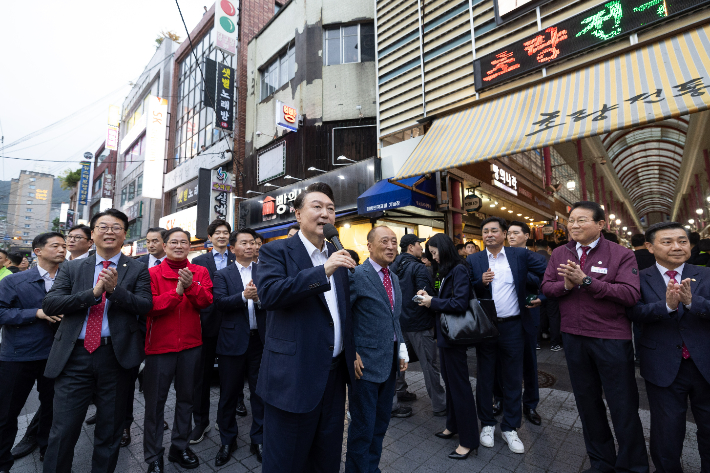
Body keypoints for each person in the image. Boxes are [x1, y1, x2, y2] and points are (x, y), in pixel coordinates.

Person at [254, 182, 357, 473]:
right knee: (285, 462)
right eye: (317, 207)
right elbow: (271, 295)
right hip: (293, 378)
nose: (325, 213)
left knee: (326, 460)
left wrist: (352, 351)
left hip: (334, 378)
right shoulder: (276, 252)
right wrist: (322, 270)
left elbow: (343, 312)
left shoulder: (338, 253)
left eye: (331, 209)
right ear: (298, 214)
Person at [41, 209, 153, 473]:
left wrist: (115, 292)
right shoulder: (71, 267)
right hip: (73, 357)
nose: (109, 231)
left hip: (115, 357)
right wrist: (92, 293)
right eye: (103, 227)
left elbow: (145, 305)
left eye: (116, 227)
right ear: (92, 234)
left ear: (125, 235)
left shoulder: (137, 269)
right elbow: (51, 303)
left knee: (110, 430)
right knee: (63, 430)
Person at [541, 201, 648, 473]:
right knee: (587, 405)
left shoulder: (621, 253)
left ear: (601, 224)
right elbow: (547, 287)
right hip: (574, 337)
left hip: (610, 338)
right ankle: (601, 463)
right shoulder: (560, 253)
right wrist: (566, 285)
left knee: (622, 406)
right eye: (571, 220)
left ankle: (633, 466)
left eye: (581, 220)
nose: (574, 225)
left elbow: (629, 294)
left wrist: (586, 281)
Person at [628, 222, 710, 473]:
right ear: (650, 247)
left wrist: (692, 301)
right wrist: (665, 307)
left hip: (705, 363)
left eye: (682, 241)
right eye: (667, 242)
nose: (677, 247)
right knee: (666, 431)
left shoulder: (706, 273)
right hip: (662, 365)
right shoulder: (639, 278)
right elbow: (633, 312)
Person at [469, 217, 547, 454]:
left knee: (513, 377)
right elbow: (464, 289)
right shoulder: (474, 259)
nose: (489, 234)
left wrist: (541, 298)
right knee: (485, 377)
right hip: (486, 327)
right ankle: (487, 424)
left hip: (514, 327)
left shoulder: (519, 256)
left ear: (504, 234)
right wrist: (479, 282)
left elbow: (549, 274)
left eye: (494, 230)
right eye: (485, 231)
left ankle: (511, 427)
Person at [143, 227, 213, 472]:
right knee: (154, 404)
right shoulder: (151, 273)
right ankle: (153, 456)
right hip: (160, 348)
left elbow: (206, 302)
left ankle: (179, 447)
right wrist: (177, 292)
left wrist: (191, 287)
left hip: (191, 346)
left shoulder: (199, 271)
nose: (179, 246)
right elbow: (149, 306)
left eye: (184, 242)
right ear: (164, 244)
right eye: (174, 242)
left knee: (186, 399)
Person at [0, 232, 66, 471]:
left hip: (56, 355)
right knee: (7, 413)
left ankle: (47, 451)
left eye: (64, 246)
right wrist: (36, 313)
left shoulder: (68, 279)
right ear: (37, 251)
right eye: (55, 245)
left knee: (52, 409)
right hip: (18, 356)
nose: (62, 249)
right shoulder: (13, 281)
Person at [346, 226, 409, 471]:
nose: (391, 246)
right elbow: (344, 317)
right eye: (385, 241)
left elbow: (395, 318)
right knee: (363, 426)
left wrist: (401, 349)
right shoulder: (356, 274)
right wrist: (350, 351)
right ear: (369, 246)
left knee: (380, 424)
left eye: (394, 241)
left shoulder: (393, 277)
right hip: (365, 365)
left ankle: (371, 467)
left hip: (389, 361)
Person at [416, 233, 479, 460]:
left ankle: (469, 440)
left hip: (455, 338)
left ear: (444, 249)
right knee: (451, 385)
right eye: (430, 254)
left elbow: (460, 303)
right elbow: (447, 298)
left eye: (434, 253)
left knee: (459, 387)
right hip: (445, 337)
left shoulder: (459, 269)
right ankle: (452, 426)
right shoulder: (446, 270)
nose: (433, 258)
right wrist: (429, 296)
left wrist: (432, 302)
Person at [212, 228, 266, 466]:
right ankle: (227, 439)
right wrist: (244, 296)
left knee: (260, 393)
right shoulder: (223, 275)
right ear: (233, 248)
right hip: (232, 342)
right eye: (244, 243)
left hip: (260, 341)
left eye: (253, 243)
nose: (251, 246)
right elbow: (220, 303)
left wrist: (259, 300)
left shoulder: (265, 272)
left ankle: (259, 439)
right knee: (229, 394)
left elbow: (275, 301)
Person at [189, 219, 237, 444]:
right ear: (209, 237)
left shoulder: (237, 258)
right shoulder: (198, 261)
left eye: (225, 232)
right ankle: (201, 421)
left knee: (230, 377)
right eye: (217, 232)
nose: (221, 236)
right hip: (206, 325)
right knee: (202, 377)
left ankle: (224, 418)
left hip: (232, 325)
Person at [391, 234, 445, 416]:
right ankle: (440, 404)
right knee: (429, 364)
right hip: (419, 324)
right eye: (418, 245)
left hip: (399, 323)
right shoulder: (418, 268)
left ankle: (400, 392)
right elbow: (424, 296)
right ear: (411, 247)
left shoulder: (392, 266)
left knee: (400, 361)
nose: (421, 248)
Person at [496, 220, 545, 426]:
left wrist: (542, 297)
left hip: (527, 314)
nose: (511, 236)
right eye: (509, 234)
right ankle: (499, 399)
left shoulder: (533, 257)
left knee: (529, 362)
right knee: (500, 362)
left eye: (516, 233)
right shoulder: (499, 257)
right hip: (502, 319)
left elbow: (548, 281)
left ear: (527, 236)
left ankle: (530, 404)